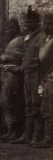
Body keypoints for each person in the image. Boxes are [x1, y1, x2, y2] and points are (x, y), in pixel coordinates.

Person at [11, 7, 47, 145]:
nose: (27, 25)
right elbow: (27, 57)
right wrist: (21, 67)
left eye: (31, 22)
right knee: (28, 104)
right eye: (26, 22)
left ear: (37, 23)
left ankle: (37, 136)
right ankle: (27, 134)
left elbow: (42, 57)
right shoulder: (28, 37)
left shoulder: (42, 37)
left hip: (37, 73)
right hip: (27, 73)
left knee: (36, 103)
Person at [0, 17, 25, 142]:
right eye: (6, 29)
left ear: (15, 28)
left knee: (10, 101)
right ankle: (10, 129)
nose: (6, 31)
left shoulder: (19, 40)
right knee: (5, 101)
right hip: (7, 74)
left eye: (8, 28)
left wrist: (4, 57)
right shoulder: (11, 41)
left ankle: (15, 130)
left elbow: (12, 56)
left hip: (14, 74)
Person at [33, 12, 53, 149]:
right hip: (49, 76)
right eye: (44, 24)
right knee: (46, 109)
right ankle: (48, 139)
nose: (46, 27)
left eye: (49, 24)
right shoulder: (48, 38)